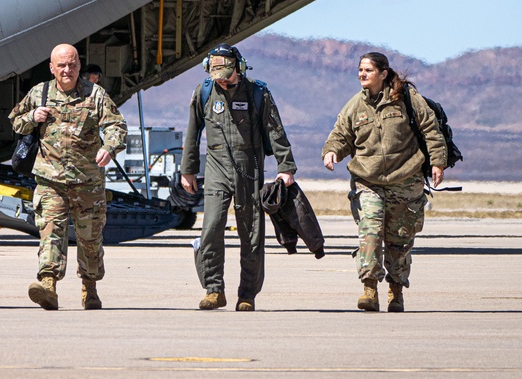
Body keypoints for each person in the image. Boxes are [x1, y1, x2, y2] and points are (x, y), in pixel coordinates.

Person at [322, 51, 447, 313]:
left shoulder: (407, 100)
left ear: (383, 73)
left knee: (399, 241)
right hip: (368, 179)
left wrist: (437, 161)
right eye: (360, 70)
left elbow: (430, 129)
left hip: (405, 179)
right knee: (370, 232)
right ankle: (369, 289)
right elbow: (340, 134)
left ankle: (396, 290)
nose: (362, 75)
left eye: (368, 70)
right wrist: (331, 151)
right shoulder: (355, 105)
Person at [9, 44, 127, 310]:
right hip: (50, 181)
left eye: (72, 64)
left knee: (90, 240)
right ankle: (48, 285)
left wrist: (109, 147)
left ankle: (90, 287)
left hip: (88, 183)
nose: (67, 70)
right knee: (51, 233)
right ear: (52, 68)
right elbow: (15, 120)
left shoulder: (95, 94)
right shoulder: (40, 93)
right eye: (61, 65)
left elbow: (116, 125)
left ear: (79, 67)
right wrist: (32, 116)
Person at [179, 43, 296, 312]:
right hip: (216, 168)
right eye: (216, 73)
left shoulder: (258, 92)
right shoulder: (205, 91)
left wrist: (286, 166)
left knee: (251, 233)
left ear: (238, 68)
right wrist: (188, 169)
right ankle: (213, 290)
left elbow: (275, 130)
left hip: (249, 167)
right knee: (211, 228)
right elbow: (192, 132)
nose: (220, 79)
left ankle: (247, 294)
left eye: (225, 73)